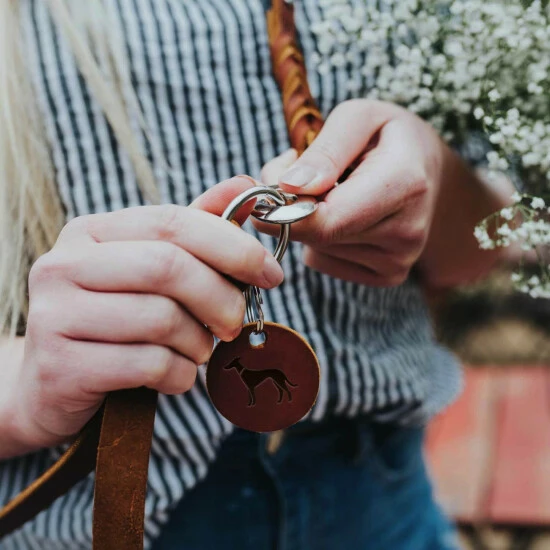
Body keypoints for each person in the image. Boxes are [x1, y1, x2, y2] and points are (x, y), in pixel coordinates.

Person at [0, 1, 514, 548]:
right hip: (102, 514)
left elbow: (484, 247)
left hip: (383, 501)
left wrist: (437, 175)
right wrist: (22, 393)